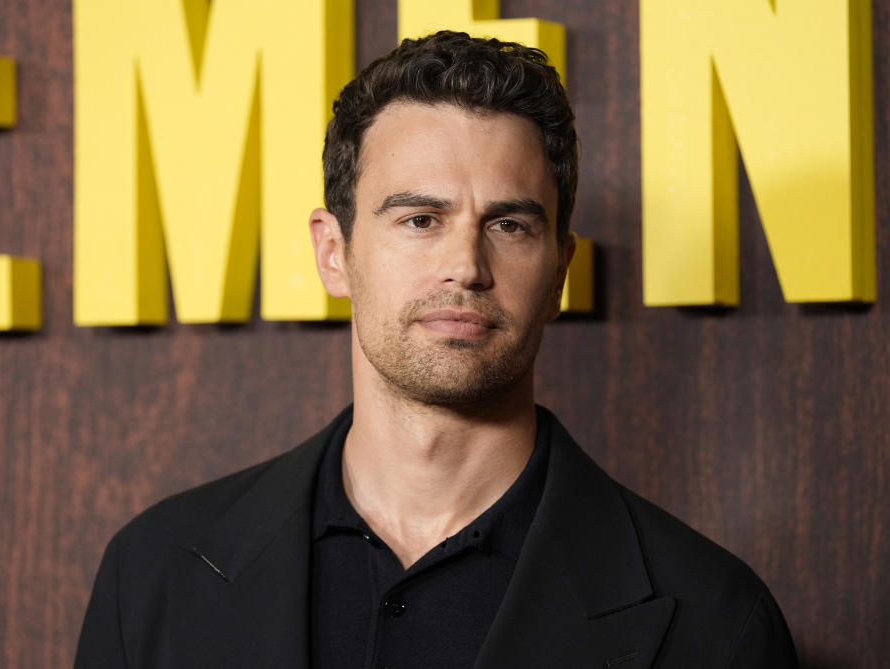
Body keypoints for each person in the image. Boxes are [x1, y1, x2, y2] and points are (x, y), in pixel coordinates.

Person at [75, 31, 799, 669]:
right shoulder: (153, 573)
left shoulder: (716, 621)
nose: (466, 264)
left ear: (559, 273)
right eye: (420, 218)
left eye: (510, 225)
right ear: (334, 253)